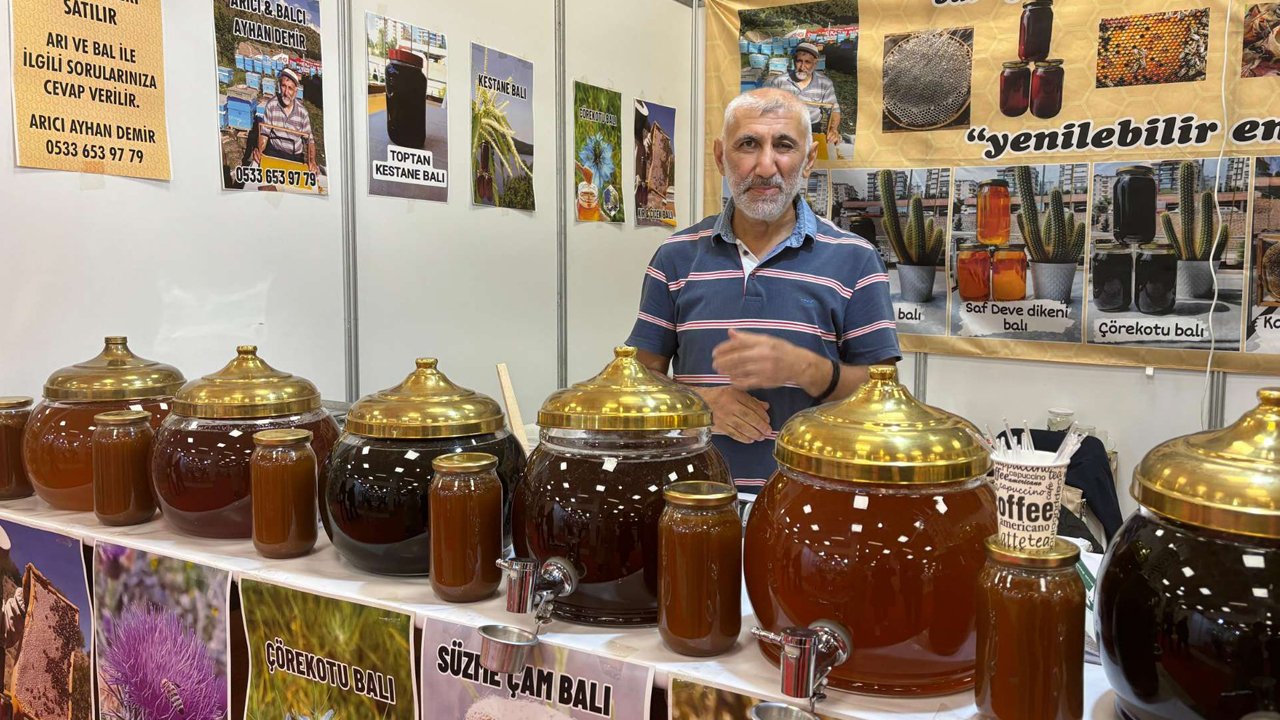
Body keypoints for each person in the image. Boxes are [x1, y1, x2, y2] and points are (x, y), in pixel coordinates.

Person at [626, 88, 899, 493]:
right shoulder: (675, 256)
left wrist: (805, 369)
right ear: (721, 157)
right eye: (748, 144)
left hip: (813, 505)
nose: (766, 166)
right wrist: (698, 407)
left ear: (807, 162)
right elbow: (637, 376)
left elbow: (886, 394)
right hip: (694, 502)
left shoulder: (855, 259)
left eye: (784, 145)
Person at [767, 42, 841, 146]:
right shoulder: (779, 81)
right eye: (799, 61)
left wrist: (833, 130)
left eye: (807, 62)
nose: (802, 67)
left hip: (813, 127)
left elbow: (835, 111)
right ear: (793, 61)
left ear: (815, 64)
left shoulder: (825, 83)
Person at [253, 67, 318, 177]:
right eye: (283, 86)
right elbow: (264, 134)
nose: (286, 92)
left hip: (295, 156)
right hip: (274, 152)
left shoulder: (302, 113)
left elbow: (310, 141)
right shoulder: (271, 105)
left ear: (296, 91)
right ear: (279, 86)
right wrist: (259, 150)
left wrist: (312, 161)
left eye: (290, 88)